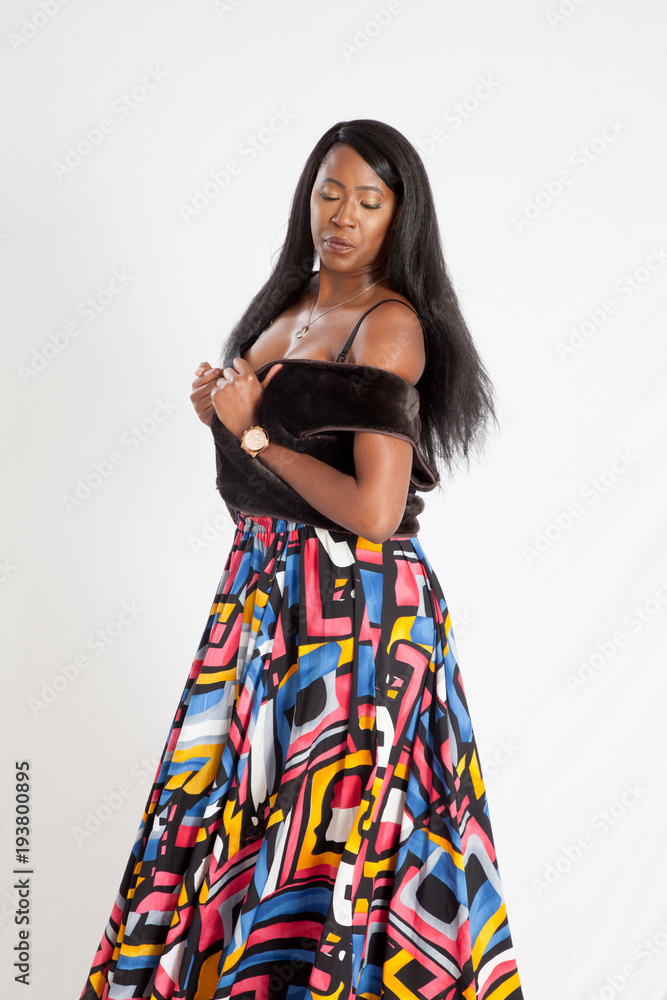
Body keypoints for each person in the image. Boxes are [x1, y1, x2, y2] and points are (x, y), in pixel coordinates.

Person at [79, 120, 524, 1000]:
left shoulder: (388, 325)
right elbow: (264, 485)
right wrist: (223, 420)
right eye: (329, 192)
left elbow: (374, 513)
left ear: (399, 217)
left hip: (353, 616)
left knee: (333, 828)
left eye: (369, 200)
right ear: (306, 199)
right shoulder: (282, 310)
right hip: (261, 594)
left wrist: (252, 431)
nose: (343, 215)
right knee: (234, 811)